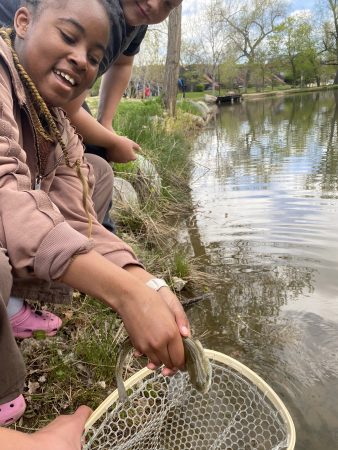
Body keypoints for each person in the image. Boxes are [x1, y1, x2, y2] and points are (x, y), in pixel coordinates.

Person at [0, 0, 189, 431]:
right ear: (24, 22)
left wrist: (146, 281)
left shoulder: (58, 122)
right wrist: (125, 296)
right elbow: (6, 197)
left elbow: (82, 220)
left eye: (94, 57)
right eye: (69, 37)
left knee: (95, 175)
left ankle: (14, 301)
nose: (81, 59)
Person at [0, 0, 183, 163]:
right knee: (95, 149)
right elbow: (67, 108)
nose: (153, 4)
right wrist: (113, 142)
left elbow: (123, 63)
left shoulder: (137, 21)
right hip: (12, 55)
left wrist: (106, 122)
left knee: (93, 146)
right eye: (69, 37)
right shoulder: (105, 17)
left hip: (46, 73)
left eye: (167, 4)